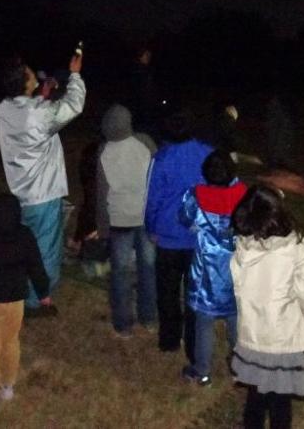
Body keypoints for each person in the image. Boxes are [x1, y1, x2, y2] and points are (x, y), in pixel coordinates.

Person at [230, 185, 304, 429]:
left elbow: (239, 288)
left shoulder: (243, 246)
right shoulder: (296, 246)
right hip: (283, 336)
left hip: (252, 334)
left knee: (255, 397)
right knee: (280, 402)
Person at [0, 49, 86, 316]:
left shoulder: (4, 107)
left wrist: (42, 96)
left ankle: (19, 289)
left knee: (23, 244)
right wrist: (76, 74)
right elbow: (73, 106)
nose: (33, 72)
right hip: (43, 193)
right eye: (29, 72)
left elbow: (31, 114)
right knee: (45, 248)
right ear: (25, 82)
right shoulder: (39, 113)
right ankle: (37, 302)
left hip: (20, 190)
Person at [0, 194, 51, 414]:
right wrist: (43, 292)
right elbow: (36, 266)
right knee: (11, 341)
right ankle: (7, 386)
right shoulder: (24, 235)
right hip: (15, 299)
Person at [144, 106, 213, 359]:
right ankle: (194, 346)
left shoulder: (162, 158)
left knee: (168, 292)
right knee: (194, 294)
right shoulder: (207, 154)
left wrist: (151, 227)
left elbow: (152, 199)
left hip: (170, 238)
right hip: (197, 237)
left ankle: (170, 339)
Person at [178, 150, 247, 386]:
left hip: (207, 271)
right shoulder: (244, 195)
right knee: (236, 320)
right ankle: (241, 367)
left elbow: (185, 218)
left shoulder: (196, 196)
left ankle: (203, 371)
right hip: (237, 270)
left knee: (204, 323)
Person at [97, 104, 157, 338]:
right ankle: (149, 318)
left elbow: (102, 193)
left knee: (121, 272)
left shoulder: (104, 150)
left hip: (119, 219)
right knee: (148, 269)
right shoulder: (145, 142)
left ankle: (123, 324)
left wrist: (102, 226)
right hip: (145, 217)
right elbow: (157, 179)